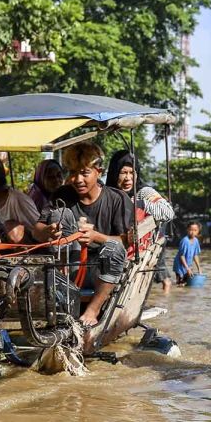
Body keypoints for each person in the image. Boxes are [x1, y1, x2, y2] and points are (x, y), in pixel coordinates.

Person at [33, 142, 134, 332]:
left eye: (84, 173)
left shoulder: (117, 199)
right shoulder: (62, 194)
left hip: (101, 272)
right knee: (58, 214)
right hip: (67, 269)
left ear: (99, 172)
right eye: (72, 173)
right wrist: (47, 231)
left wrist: (97, 237)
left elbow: (126, 241)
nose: (77, 179)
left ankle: (92, 310)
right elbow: (36, 228)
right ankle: (63, 308)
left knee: (114, 247)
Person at [105, 150, 177, 294]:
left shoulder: (143, 192)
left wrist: (139, 204)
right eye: (123, 172)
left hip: (143, 248)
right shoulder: (107, 193)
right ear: (114, 173)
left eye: (132, 172)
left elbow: (168, 212)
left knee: (163, 275)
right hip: (113, 247)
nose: (128, 178)